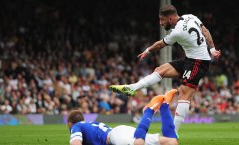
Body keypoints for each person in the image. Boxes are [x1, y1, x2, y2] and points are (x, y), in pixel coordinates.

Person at [109, 5, 221, 133]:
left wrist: (147, 50)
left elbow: (160, 44)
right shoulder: (191, 17)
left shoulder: (177, 32)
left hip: (199, 62)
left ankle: (172, 134)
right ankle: (132, 88)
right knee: (160, 70)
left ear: (171, 18)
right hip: (189, 59)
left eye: (162, 20)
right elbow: (205, 31)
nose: (161, 23)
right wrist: (212, 49)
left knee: (184, 93)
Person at [68, 89, 178, 145]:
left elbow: (76, 143)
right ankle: (165, 106)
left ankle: (148, 110)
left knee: (139, 142)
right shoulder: (90, 125)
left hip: (115, 137)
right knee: (171, 142)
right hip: (120, 132)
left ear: (70, 124)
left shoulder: (76, 126)